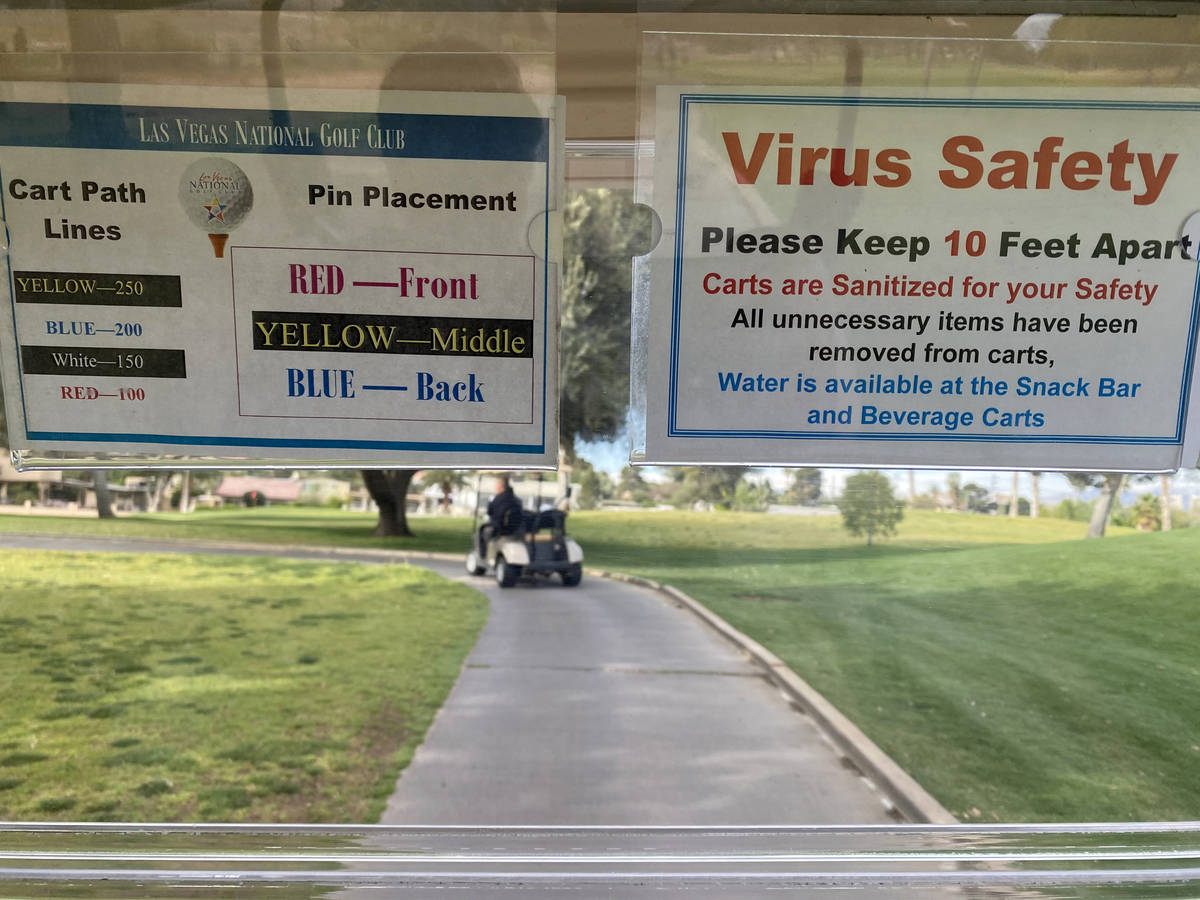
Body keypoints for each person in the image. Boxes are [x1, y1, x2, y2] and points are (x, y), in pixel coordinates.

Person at [478, 476, 522, 557]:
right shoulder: (516, 499)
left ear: (499, 486)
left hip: (500, 528)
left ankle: (483, 554)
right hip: (516, 528)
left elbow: (490, 512)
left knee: (482, 530)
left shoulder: (498, 499)